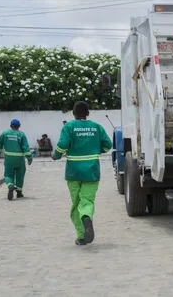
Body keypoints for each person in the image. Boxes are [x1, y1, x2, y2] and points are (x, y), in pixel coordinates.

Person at [52, 101, 112, 246]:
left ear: (73, 113)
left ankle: (81, 236)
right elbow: (108, 145)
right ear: (88, 113)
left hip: (73, 173)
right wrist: (96, 151)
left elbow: (63, 144)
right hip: (91, 172)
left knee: (76, 203)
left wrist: (56, 155)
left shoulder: (69, 127)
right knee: (87, 201)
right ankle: (86, 216)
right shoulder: (97, 127)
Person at [0, 119, 33, 201]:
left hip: (9, 159)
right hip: (20, 160)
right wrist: (29, 158)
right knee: (20, 175)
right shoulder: (21, 135)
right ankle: (19, 192)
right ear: (19, 126)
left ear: (10, 126)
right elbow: (25, 148)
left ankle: (10, 185)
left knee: (8, 175)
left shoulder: (5, 133)